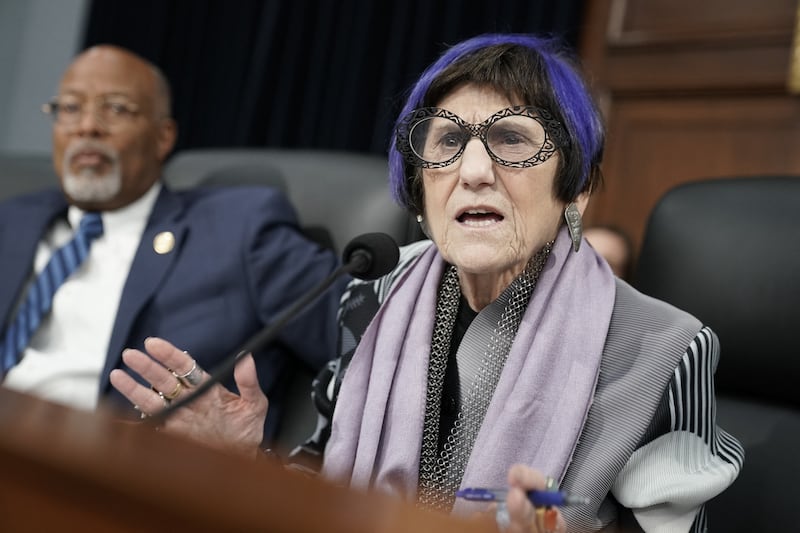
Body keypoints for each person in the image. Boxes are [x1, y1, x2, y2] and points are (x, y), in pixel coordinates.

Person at [111, 34, 744, 532]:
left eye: (512, 140)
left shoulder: (669, 350)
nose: (472, 171)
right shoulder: (374, 296)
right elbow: (324, 483)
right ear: (419, 190)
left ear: (576, 186)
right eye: (446, 142)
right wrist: (245, 461)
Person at [0, 44, 344, 442]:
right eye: (70, 108)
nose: (87, 126)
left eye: (115, 108)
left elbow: (371, 346)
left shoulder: (240, 228)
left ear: (163, 136)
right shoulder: (13, 219)